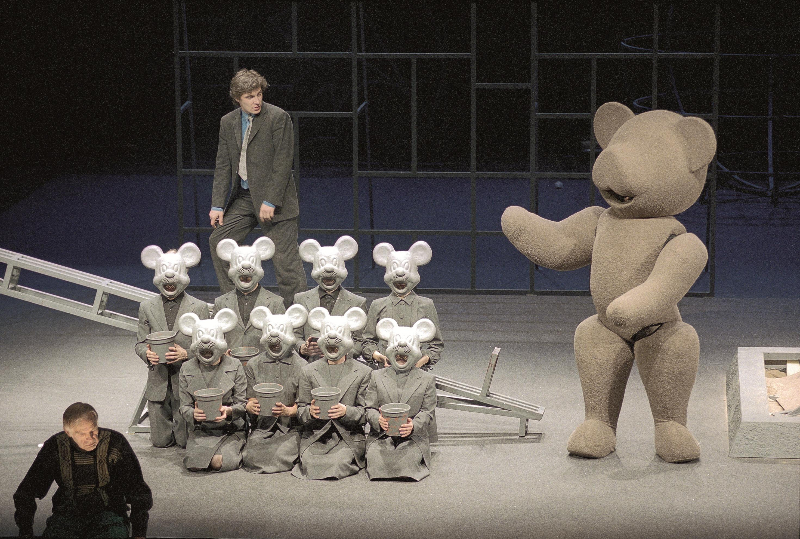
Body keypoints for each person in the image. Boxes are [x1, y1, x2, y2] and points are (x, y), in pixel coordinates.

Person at [209, 68, 306, 309]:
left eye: (259, 94)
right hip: (244, 197)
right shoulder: (228, 122)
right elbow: (223, 164)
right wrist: (217, 205)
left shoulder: (278, 117)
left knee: (286, 266)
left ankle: (297, 317)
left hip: (275, 201)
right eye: (249, 96)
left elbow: (283, 162)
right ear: (237, 98)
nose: (256, 101)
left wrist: (271, 200)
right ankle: (236, 307)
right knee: (219, 242)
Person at [13, 402, 152, 539]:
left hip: (109, 515)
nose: (90, 438)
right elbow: (26, 491)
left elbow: (138, 490)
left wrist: (139, 533)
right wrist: (25, 531)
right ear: (68, 432)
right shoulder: (55, 447)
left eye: (93, 431)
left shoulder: (115, 443)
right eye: (82, 433)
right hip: (67, 515)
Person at [135, 243, 209, 448]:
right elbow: (140, 343)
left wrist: (187, 354)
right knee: (160, 442)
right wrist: (146, 354)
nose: (169, 278)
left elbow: (208, 347)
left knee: (185, 442)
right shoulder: (146, 307)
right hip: (158, 378)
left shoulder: (199, 307)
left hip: (185, 380)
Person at [292, 307, 372, 479]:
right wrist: (310, 412)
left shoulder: (363, 372)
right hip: (316, 434)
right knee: (310, 463)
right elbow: (301, 409)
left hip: (347, 436)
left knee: (337, 463)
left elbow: (365, 412)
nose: (333, 341)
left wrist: (346, 411)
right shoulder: (308, 371)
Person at [364, 319, 438, 481]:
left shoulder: (427, 379)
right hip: (382, 435)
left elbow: (427, 412)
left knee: (406, 462)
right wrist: (378, 420)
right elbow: (369, 408)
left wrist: (413, 426)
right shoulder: (376, 376)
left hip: (413, 437)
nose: (402, 349)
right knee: (377, 460)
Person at [178, 309, 248, 472]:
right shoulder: (186, 368)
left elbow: (242, 404)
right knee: (195, 464)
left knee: (219, 462)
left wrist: (229, 411)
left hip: (230, 428)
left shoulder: (234, 365)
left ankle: (238, 447)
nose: (205, 342)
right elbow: (184, 406)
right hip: (202, 430)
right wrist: (193, 414)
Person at [241, 305, 308, 473]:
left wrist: (289, 411)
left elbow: (304, 404)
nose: (274, 339)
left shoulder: (302, 366)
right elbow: (250, 397)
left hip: (291, 428)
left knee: (279, 455)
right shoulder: (253, 364)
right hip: (263, 426)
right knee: (250, 457)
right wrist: (250, 405)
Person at [361, 241, 444, 370]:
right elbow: (367, 341)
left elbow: (436, 344)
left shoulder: (426, 305)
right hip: (385, 371)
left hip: (416, 371)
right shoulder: (377, 305)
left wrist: (421, 361)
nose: (400, 273)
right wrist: (380, 357)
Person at [293, 235, 367, 362]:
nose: (328, 269)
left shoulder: (357, 303)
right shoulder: (301, 299)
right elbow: (294, 334)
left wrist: (341, 353)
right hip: (309, 365)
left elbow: (361, 341)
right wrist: (302, 348)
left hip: (343, 366)